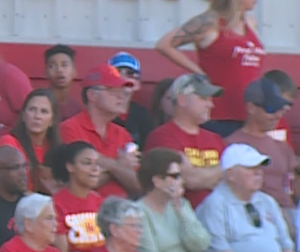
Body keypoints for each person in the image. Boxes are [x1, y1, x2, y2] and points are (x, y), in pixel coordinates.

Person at [155, 0, 265, 136]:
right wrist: (199, 73)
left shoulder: (251, 23)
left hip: (249, 117)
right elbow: (165, 44)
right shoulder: (210, 23)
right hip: (219, 115)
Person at [197, 144, 298, 252]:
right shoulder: (215, 204)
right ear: (231, 174)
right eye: (251, 168)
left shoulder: (267, 201)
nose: (258, 173)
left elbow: (286, 244)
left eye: (260, 168)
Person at [135, 148, 209, 252]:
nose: (181, 181)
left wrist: (181, 212)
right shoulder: (139, 212)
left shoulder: (181, 205)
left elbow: (200, 246)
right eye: (175, 176)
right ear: (157, 181)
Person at [145, 74, 226, 207]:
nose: (210, 105)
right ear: (182, 100)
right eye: (203, 98)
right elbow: (191, 179)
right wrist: (221, 170)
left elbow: (231, 179)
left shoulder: (215, 138)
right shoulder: (162, 137)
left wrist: (197, 172)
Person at [58, 65, 139, 198]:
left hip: (121, 211)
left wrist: (107, 164)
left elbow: (138, 184)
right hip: (85, 213)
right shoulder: (69, 128)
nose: (121, 96)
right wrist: (118, 166)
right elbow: (83, 182)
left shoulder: (123, 134)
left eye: (122, 91)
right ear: (92, 95)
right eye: (112, 91)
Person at [226, 77, 297, 221]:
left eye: (279, 109)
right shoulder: (232, 146)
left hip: (291, 212)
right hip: (258, 215)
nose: (277, 115)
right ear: (251, 108)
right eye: (270, 109)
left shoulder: (282, 147)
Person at [0, 89, 61, 194]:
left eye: (44, 111)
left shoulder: (56, 149)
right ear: (24, 116)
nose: (37, 116)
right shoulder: (8, 143)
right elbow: (4, 187)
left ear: (52, 121)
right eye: (32, 109)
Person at [50, 142, 105, 252]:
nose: (95, 169)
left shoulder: (100, 202)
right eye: (87, 163)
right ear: (70, 167)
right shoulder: (54, 204)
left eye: (97, 164)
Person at [109, 52, 153, 148]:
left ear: (138, 84)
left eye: (130, 73)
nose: (123, 78)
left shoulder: (143, 116)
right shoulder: (98, 111)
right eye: (117, 72)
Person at [44, 45, 84, 122]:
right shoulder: (39, 103)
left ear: (74, 72)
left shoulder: (77, 109)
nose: (59, 70)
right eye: (52, 66)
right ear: (46, 73)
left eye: (64, 65)